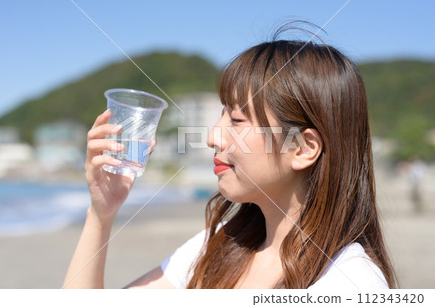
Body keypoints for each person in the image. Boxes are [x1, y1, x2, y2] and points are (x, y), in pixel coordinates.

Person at [63, 27, 396, 289]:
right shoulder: (219, 246)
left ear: (304, 148)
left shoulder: (349, 282)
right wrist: (101, 213)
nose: (212, 137)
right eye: (222, 116)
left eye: (237, 120)